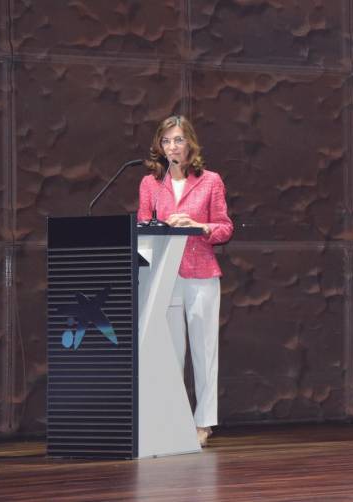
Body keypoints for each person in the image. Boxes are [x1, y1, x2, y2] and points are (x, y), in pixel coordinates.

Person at [137, 115, 233, 447]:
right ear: (159, 146)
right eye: (166, 141)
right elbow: (143, 227)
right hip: (163, 275)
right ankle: (172, 418)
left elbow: (224, 227)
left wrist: (197, 224)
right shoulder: (150, 183)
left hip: (201, 272)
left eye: (178, 140)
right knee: (170, 351)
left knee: (205, 350)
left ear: (190, 143)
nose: (172, 147)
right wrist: (163, 225)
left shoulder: (210, 180)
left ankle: (203, 422)